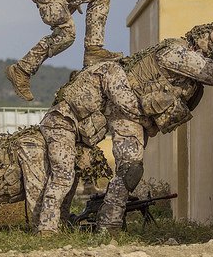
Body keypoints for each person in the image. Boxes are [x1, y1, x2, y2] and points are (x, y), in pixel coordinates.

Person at [95, 22, 213, 233]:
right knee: (130, 169)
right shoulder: (179, 54)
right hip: (126, 113)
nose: (209, 53)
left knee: (129, 169)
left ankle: (108, 218)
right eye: (209, 47)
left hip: (135, 114)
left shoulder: (178, 50)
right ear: (201, 44)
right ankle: (107, 224)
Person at [36, 61, 146, 235]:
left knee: (72, 177)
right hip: (61, 124)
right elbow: (127, 104)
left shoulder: (103, 93)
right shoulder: (107, 75)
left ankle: (62, 222)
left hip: (73, 132)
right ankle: (46, 228)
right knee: (63, 176)